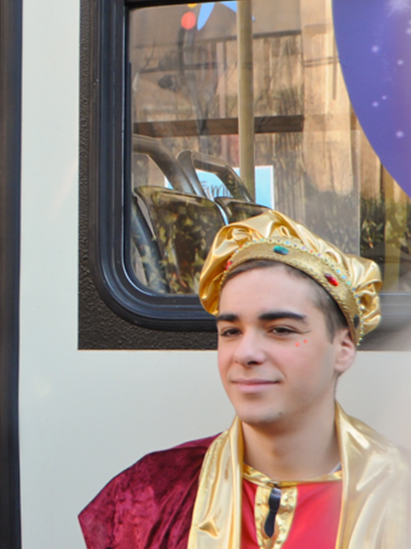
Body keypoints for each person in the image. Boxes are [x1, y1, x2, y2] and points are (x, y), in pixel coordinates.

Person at [79, 210, 411, 548]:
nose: (245, 352)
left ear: (343, 348)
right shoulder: (150, 495)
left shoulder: (401, 493)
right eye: (231, 331)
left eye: (280, 330)